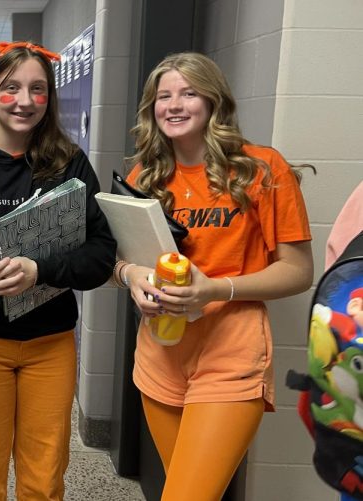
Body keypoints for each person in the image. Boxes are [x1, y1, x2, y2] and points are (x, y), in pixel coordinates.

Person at [114, 52, 313, 501]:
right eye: (164, 96)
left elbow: (299, 272)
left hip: (231, 355)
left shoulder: (261, 169)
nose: (175, 104)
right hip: (160, 355)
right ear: (152, 108)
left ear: (213, 101)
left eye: (189, 92)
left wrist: (215, 288)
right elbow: (116, 262)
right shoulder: (144, 176)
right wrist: (133, 276)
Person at [0, 41, 117, 500]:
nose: (25, 100)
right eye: (11, 87)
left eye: (38, 89)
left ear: (49, 100)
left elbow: (101, 255)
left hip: (50, 344)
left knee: (44, 478)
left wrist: (40, 269)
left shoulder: (69, 164)